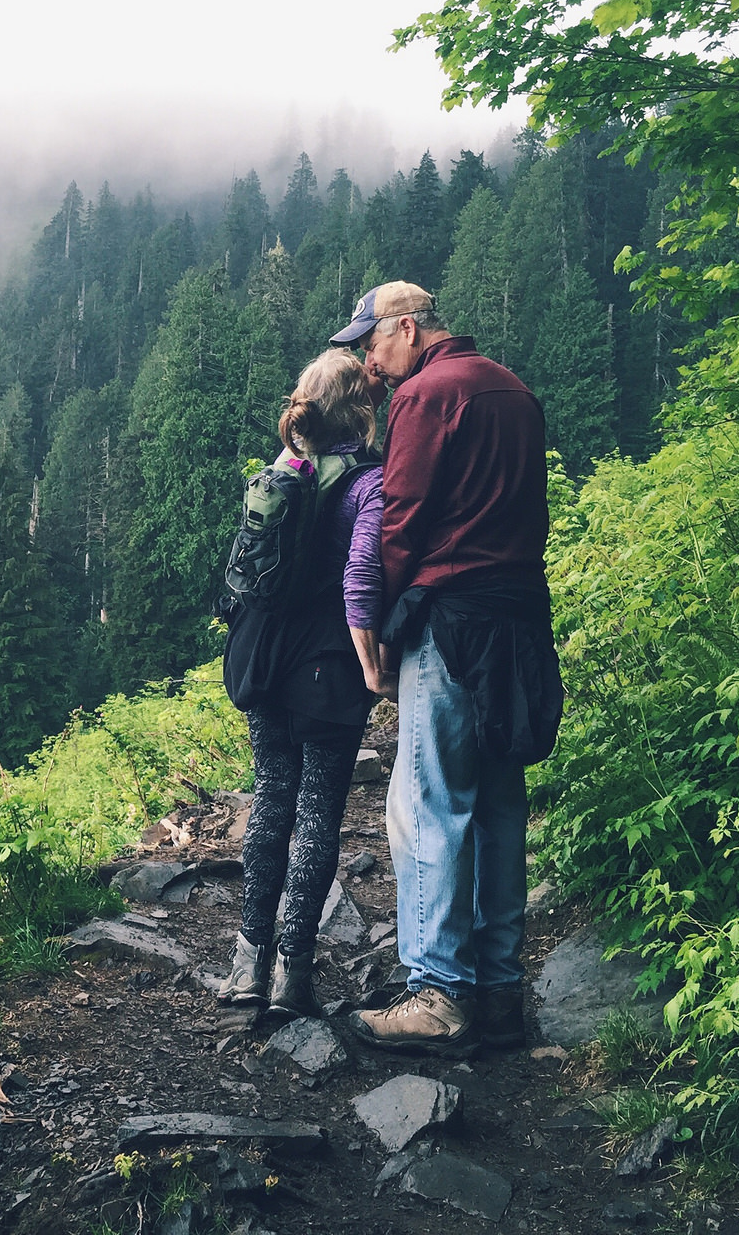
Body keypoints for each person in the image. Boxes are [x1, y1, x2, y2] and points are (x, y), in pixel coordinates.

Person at [330, 281, 562, 1058]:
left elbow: (402, 517)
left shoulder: (427, 396)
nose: (369, 360)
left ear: (408, 327)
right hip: (521, 621)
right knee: (500, 803)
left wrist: (387, 626)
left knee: (429, 802)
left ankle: (435, 993)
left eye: (372, 342)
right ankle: (499, 994)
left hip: (452, 617)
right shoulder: (514, 390)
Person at [218, 348, 394, 1017]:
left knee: (270, 800)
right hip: (327, 665)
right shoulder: (368, 484)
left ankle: (245, 965)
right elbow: (360, 579)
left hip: (261, 656)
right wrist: (375, 667)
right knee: (318, 811)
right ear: (361, 410)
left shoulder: (281, 471)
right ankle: (293, 974)